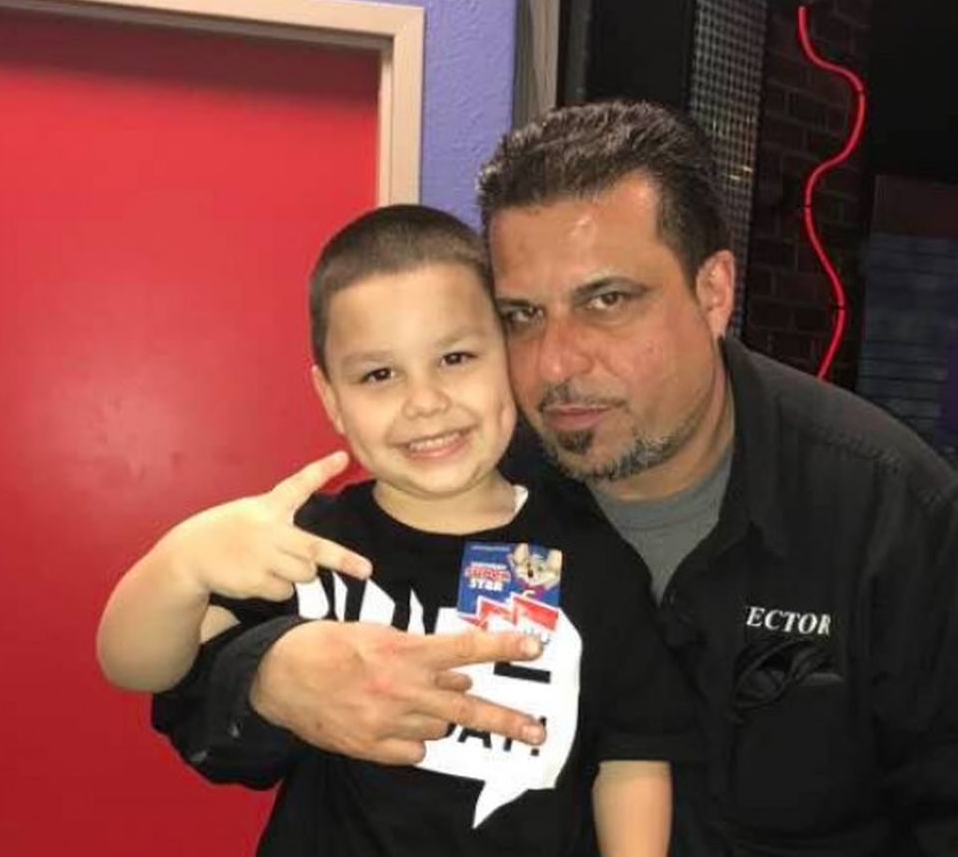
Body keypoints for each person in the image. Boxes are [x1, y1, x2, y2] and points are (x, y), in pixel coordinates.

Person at [151, 102, 958, 855]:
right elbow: (186, 693)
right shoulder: (459, 476)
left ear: (713, 292)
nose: (557, 364)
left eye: (607, 300)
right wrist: (269, 677)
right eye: (522, 315)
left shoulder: (891, 517)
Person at [98, 205, 694, 856]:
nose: (425, 402)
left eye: (455, 357)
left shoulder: (595, 555)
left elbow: (632, 755)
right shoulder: (302, 545)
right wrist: (181, 564)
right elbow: (136, 665)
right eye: (379, 375)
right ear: (332, 399)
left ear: (509, 357)